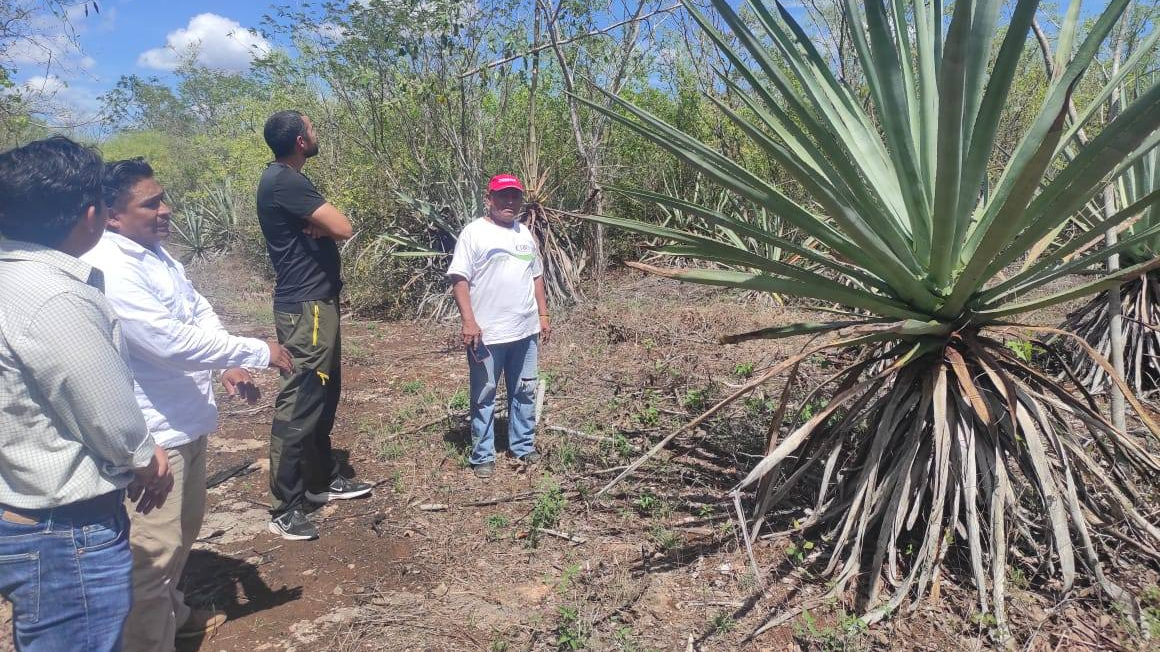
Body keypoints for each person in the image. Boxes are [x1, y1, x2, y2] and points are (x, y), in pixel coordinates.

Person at [81, 158, 294, 651]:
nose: (166, 210)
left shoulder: (157, 256)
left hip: (185, 421)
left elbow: (197, 310)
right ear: (112, 216)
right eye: (151, 204)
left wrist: (227, 363)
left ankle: (174, 617)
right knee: (152, 553)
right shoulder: (112, 267)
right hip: (152, 434)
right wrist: (255, 351)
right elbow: (167, 341)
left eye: (163, 199)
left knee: (182, 531)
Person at [0, 136, 173, 651]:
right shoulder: (56, 298)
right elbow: (109, 415)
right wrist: (145, 459)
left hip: (20, 512)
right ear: (92, 214)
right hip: (64, 530)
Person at [257, 110, 372, 541]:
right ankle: (285, 506)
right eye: (312, 128)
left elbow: (331, 228)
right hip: (307, 307)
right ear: (301, 142)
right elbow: (343, 226)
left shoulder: (285, 180)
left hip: (317, 303)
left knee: (323, 392)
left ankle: (320, 480)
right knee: (301, 398)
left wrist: (318, 226)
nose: (316, 131)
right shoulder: (285, 181)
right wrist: (323, 226)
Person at [447, 174, 552, 478]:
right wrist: (469, 321)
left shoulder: (524, 234)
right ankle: (483, 454)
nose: (509, 201)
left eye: (514, 196)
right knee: (484, 395)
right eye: (502, 195)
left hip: (525, 332)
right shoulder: (474, 233)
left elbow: (536, 276)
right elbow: (460, 279)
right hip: (487, 334)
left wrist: (543, 315)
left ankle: (523, 446)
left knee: (525, 390)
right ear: (488, 199)